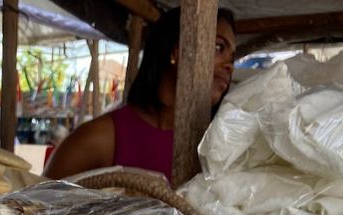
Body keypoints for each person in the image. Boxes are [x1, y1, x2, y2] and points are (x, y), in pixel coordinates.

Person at [44, 8, 236, 182]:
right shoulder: (99, 139)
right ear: (177, 52)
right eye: (219, 47)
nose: (230, 65)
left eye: (232, 57)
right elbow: (36, 204)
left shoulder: (219, 149)